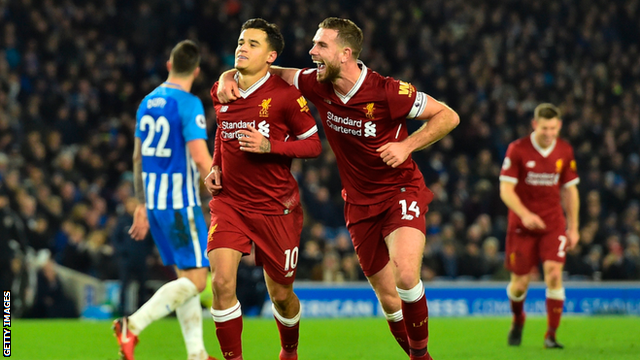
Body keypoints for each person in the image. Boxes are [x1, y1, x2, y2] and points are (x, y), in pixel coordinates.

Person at [218, 17, 459, 360]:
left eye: (321, 46)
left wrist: (407, 146)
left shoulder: (388, 91)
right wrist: (228, 75)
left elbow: (448, 116)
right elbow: (271, 71)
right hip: (358, 205)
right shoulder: (318, 83)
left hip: (399, 191)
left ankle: (422, 357)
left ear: (345, 53)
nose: (312, 51)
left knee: (406, 276)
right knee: (390, 301)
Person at [203, 19, 322, 360]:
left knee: (282, 295)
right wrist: (215, 164)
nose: (243, 47)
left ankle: (289, 350)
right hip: (230, 204)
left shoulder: (286, 97)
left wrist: (271, 146)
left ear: (271, 56)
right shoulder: (223, 89)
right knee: (222, 284)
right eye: (242, 41)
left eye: (253, 44)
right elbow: (223, 131)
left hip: (276, 208)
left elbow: (313, 146)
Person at [113, 40, 218, 360]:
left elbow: (137, 157)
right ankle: (132, 325)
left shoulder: (147, 102)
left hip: (156, 205)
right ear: (196, 71)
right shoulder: (188, 104)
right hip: (180, 204)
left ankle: (197, 354)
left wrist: (141, 203)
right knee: (199, 282)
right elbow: (201, 158)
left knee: (186, 279)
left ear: (170, 65)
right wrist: (223, 185)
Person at [499, 103, 580, 349]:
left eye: (553, 128)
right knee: (519, 285)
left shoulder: (565, 151)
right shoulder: (518, 149)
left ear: (559, 126)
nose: (549, 133)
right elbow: (505, 189)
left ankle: (551, 335)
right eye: (544, 128)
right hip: (522, 226)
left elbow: (570, 191)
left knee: (554, 275)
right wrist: (524, 214)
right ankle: (518, 318)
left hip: (553, 223)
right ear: (535, 125)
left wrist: (574, 227)